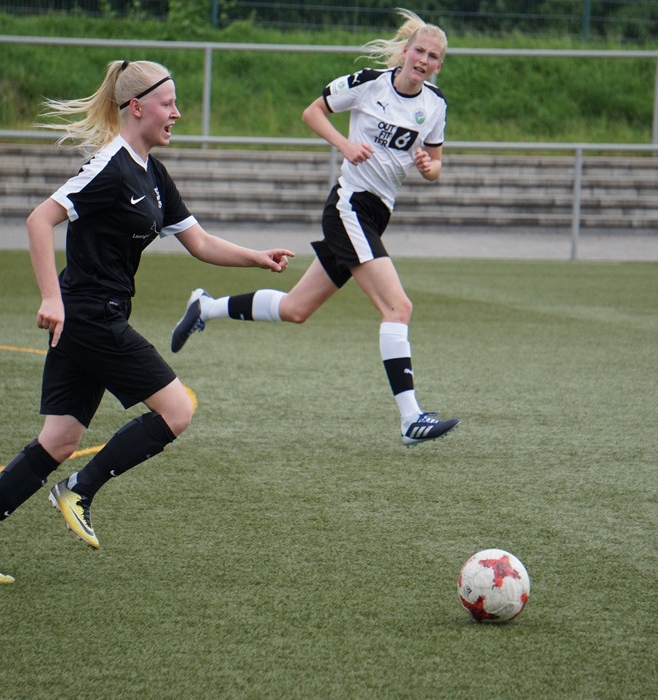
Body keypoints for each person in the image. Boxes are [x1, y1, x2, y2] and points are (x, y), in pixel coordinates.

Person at [0, 59, 294, 584]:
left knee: (58, 440)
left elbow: (198, 241)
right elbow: (40, 220)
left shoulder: (151, 172)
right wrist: (50, 298)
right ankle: (80, 489)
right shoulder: (110, 167)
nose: (177, 113)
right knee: (176, 410)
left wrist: (256, 257)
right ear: (137, 107)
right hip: (89, 316)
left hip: (92, 317)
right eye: (168, 104)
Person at [170, 9, 458, 447]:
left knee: (295, 309)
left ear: (438, 66)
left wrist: (427, 166)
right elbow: (312, 112)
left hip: (377, 213)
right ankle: (410, 418)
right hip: (351, 206)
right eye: (418, 50)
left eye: (432, 56)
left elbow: (435, 165)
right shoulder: (369, 83)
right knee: (398, 307)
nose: (423, 59)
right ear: (404, 51)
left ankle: (205, 307)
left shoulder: (434, 105)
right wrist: (345, 144)